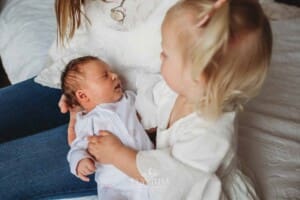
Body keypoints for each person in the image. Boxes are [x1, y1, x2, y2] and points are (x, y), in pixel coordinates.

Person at [86, 0, 272, 199]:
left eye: (165, 54)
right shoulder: (178, 89)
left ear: (197, 75)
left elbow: (172, 180)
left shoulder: (209, 132)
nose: (160, 56)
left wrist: (118, 155)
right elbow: (151, 99)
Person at [0, 0, 179, 199]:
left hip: (134, 118)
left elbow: (192, 80)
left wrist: (139, 116)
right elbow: (79, 42)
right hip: (84, 88)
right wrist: (77, 90)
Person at [62, 56, 153, 200]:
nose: (114, 75)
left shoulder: (128, 99)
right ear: (83, 95)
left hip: (147, 170)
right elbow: (77, 147)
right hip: (115, 185)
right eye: (105, 75)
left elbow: (149, 109)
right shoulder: (88, 121)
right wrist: (80, 160)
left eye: (111, 72)